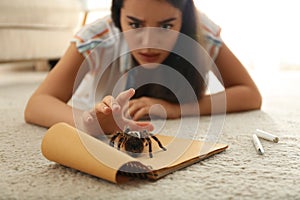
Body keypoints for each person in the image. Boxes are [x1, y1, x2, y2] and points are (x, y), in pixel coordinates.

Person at [24, 0, 262, 137]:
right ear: (118, 16)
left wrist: (179, 108)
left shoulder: (201, 32)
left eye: (166, 26)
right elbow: (38, 104)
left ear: (183, 19)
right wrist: (91, 123)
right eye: (135, 24)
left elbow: (249, 94)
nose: (149, 41)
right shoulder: (98, 36)